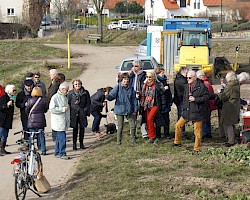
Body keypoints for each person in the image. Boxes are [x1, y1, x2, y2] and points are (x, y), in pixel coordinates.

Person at [173, 70, 210, 152]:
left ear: (194, 78)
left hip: (197, 112)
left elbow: (207, 97)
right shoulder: (186, 86)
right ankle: (177, 142)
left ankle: (197, 148)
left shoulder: (201, 86)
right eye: (187, 78)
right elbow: (185, 98)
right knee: (178, 125)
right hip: (187, 111)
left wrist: (196, 99)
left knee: (197, 131)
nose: (188, 79)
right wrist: (185, 108)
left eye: (189, 78)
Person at [107, 73, 138, 145]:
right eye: (124, 79)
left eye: (127, 79)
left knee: (133, 125)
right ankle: (118, 141)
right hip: (119, 110)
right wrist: (107, 96)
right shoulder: (118, 87)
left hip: (129, 110)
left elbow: (134, 100)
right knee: (120, 126)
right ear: (121, 80)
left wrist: (135, 110)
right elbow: (111, 97)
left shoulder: (131, 88)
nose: (126, 81)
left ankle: (133, 140)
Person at [140, 71, 166, 143]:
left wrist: (163, 106)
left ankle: (152, 136)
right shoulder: (145, 85)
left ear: (154, 77)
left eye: (150, 77)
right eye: (147, 77)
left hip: (155, 104)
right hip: (147, 104)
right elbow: (142, 94)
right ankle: (150, 134)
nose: (148, 78)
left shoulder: (158, 84)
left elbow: (163, 95)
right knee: (147, 120)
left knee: (149, 119)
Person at [218, 71, 240, 147]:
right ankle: (233, 138)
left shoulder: (230, 86)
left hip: (229, 107)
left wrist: (219, 93)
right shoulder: (236, 85)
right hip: (234, 106)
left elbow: (224, 96)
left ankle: (230, 141)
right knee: (232, 123)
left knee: (228, 124)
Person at [68, 79, 91, 150]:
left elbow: (88, 102)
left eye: (79, 84)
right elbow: (68, 102)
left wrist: (85, 110)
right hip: (74, 113)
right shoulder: (71, 93)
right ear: (73, 85)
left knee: (82, 128)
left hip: (82, 112)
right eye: (76, 84)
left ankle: (81, 143)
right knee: (75, 129)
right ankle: (74, 144)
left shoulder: (85, 92)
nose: (77, 86)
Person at [49, 82, 70, 159]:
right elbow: (52, 109)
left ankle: (57, 152)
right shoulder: (55, 97)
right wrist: (62, 109)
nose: (67, 91)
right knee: (62, 138)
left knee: (58, 138)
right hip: (58, 121)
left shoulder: (64, 96)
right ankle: (62, 153)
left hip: (62, 120)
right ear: (62, 89)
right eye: (66, 90)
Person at [25, 87, 48, 155]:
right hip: (41, 119)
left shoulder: (30, 100)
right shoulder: (43, 100)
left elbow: (26, 110)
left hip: (32, 119)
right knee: (41, 135)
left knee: (31, 135)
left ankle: (31, 149)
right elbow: (45, 109)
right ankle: (43, 150)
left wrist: (29, 115)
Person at [128, 59, 147, 139]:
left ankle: (144, 131)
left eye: (136, 66)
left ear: (140, 67)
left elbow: (145, 84)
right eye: (133, 66)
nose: (134, 68)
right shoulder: (131, 75)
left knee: (143, 113)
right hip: (132, 96)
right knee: (133, 114)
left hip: (141, 96)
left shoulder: (144, 74)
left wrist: (140, 93)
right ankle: (133, 132)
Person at [196, 70, 217, 140]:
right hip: (210, 104)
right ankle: (208, 133)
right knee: (207, 119)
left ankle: (204, 134)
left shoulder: (204, 84)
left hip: (206, 104)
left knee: (204, 120)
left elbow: (205, 95)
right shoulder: (208, 83)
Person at [155, 67, 173, 139]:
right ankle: (158, 134)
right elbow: (158, 92)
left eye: (163, 72)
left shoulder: (165, 81)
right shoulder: (157, 82)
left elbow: (169, 93)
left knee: (166, 119)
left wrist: (170, 101)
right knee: (158, 119)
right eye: (162, 72)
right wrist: (163, 90)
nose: (163, 74)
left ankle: (167, 133)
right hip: (159, 103)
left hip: (166, 102)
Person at [0, 85, 16, 155]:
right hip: (2, 120)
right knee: (1, 134)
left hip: (8, 120)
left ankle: (3, 149)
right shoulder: (4, 97)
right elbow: (1, 107)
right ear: (9, 90)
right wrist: (6, 105)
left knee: (5, 135)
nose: (15, 92)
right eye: (13, 90)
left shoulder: (11, 98)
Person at [173, 67, 188, 139]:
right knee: (182, 116)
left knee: (181, 115)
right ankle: (181, 133)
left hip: (179, 99)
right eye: (186, 73)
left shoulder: (178, 78)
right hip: (181, 100)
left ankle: (181, 132)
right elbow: (187, 88)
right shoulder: (182, 80)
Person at [47, 69, 60, 141]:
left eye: (51, 74)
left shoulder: (56, 83)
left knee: (55, 120)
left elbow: (51, 93)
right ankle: (55, 135)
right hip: (53, 104)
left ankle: (55, 136)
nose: (50, 76)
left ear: (54, 75)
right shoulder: (54, 82)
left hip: (55, 104)